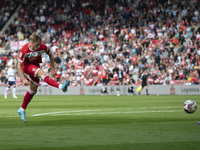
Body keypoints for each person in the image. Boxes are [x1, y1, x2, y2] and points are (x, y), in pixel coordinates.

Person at [17, 33, 70, 123]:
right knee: (42, 73)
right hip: (27, 67)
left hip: (35, 65)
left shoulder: (42, 47)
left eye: (39, 44)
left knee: (33, 90)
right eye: (37, 44)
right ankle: (61, 86)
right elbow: (19, 65)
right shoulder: (24, 49)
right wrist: (23, 79)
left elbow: (51, 54)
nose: (38, 46)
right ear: (32, 42)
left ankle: (22, 109)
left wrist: (53, 68)